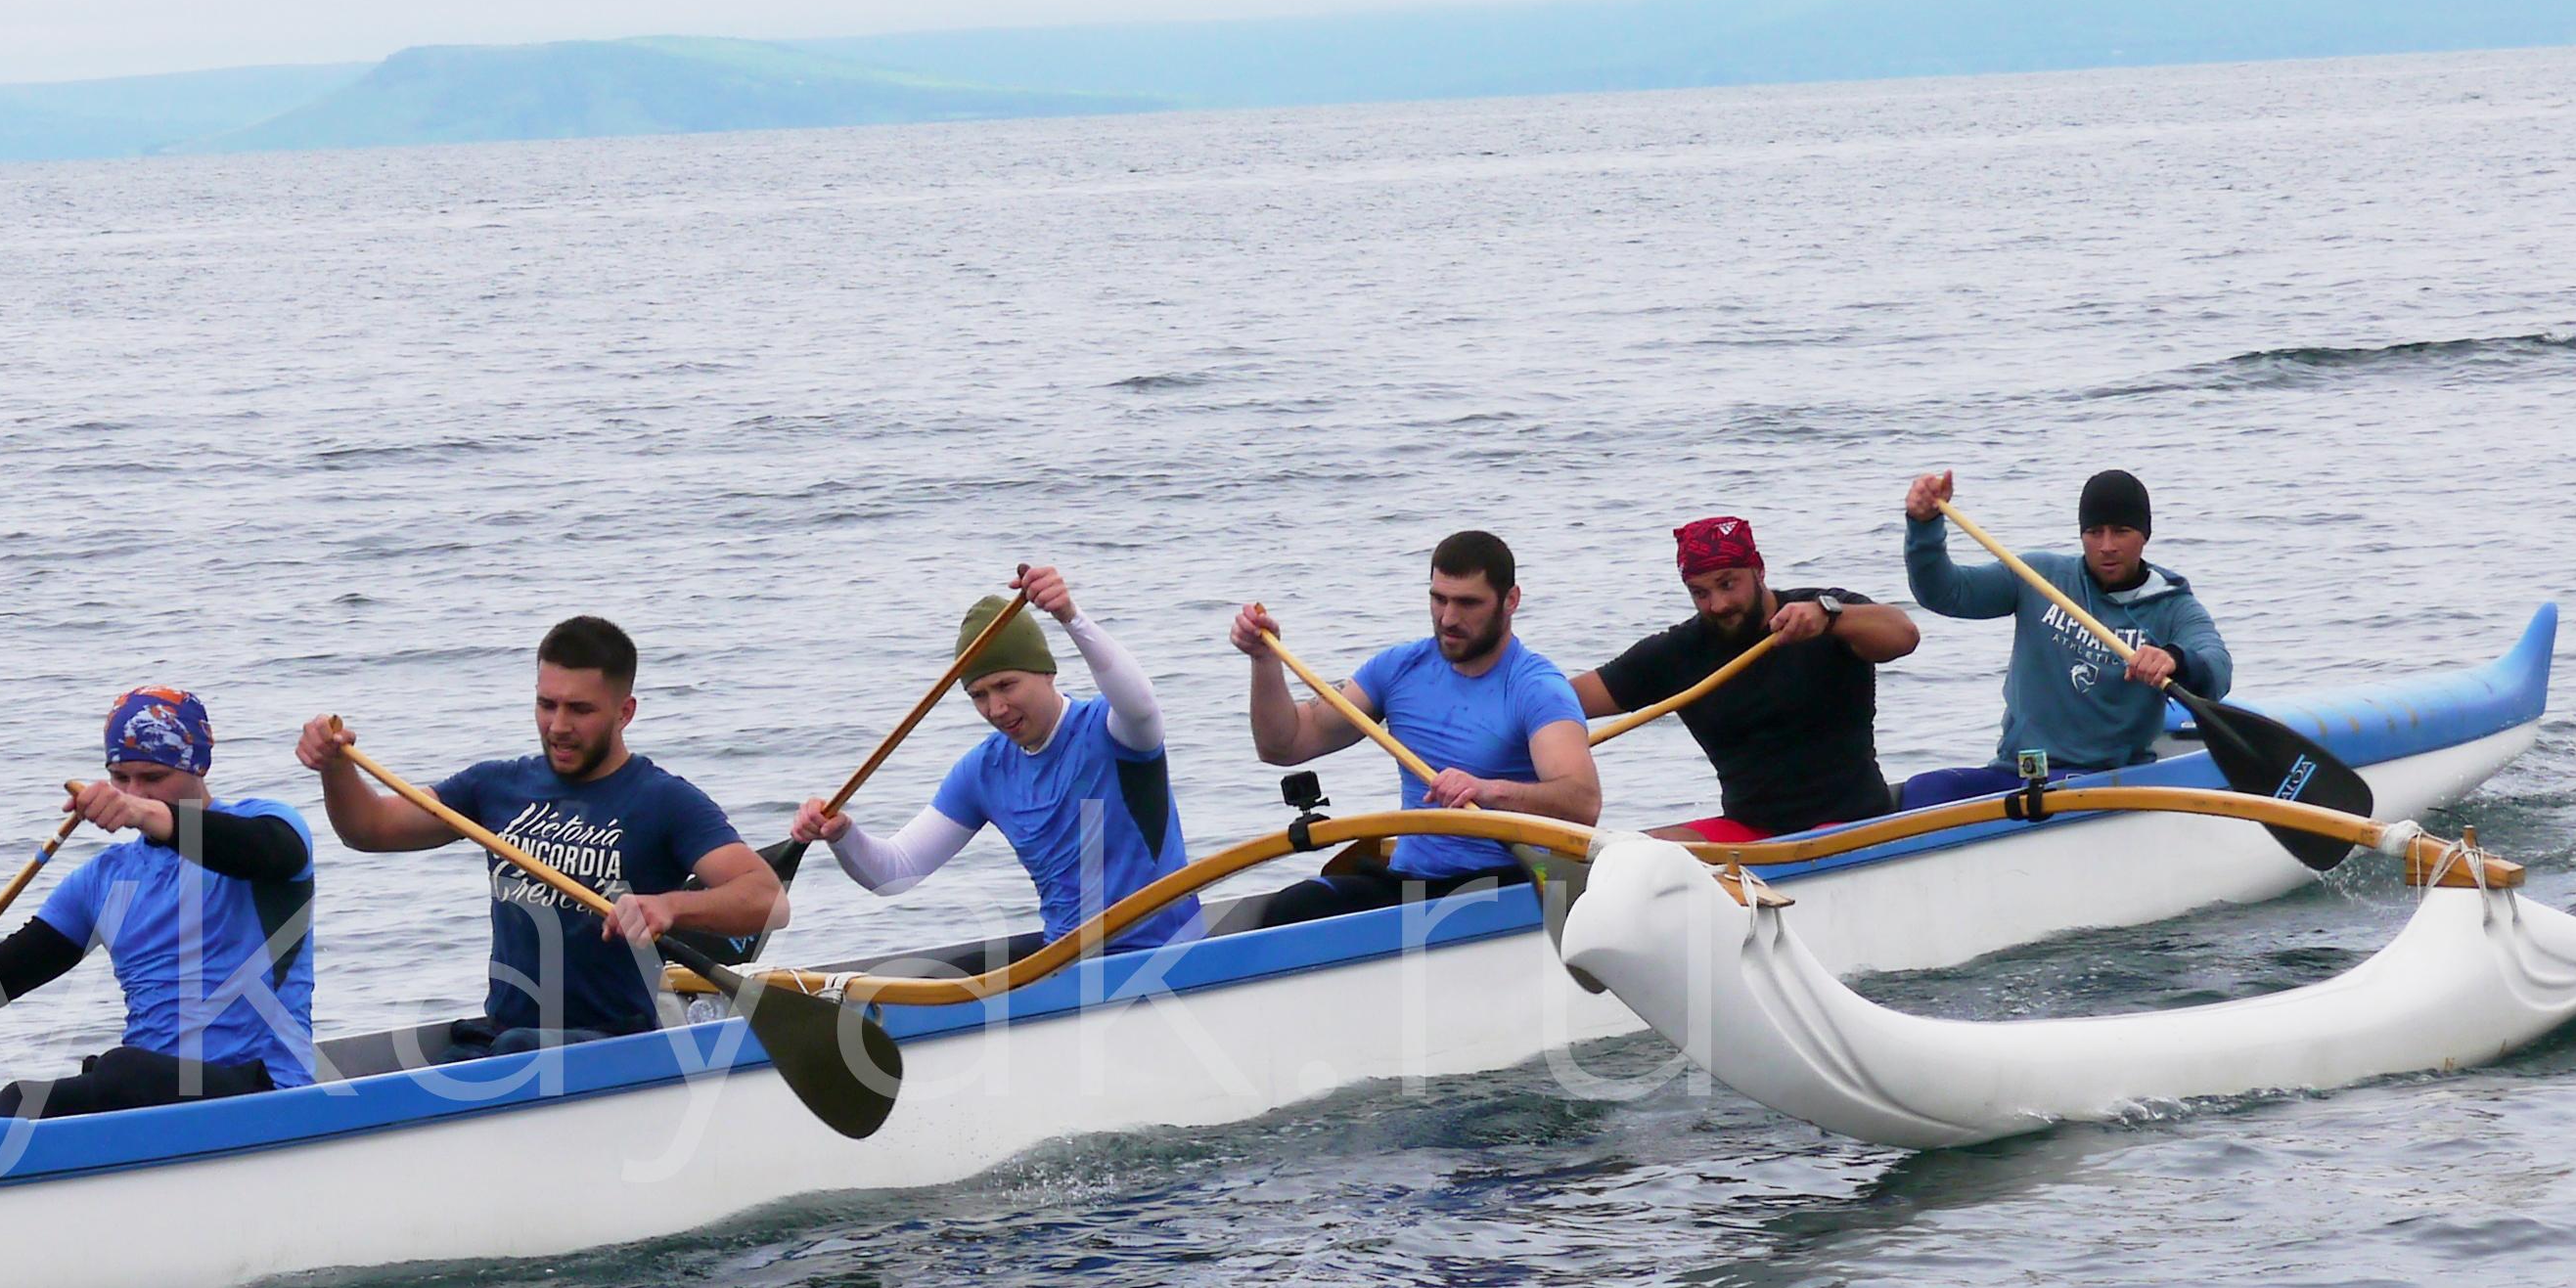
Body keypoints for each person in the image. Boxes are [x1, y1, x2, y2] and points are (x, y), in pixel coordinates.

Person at [297, 613, 787, 1054]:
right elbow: (370, 829)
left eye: (580, 709)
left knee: (513, 1048)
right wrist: (335, 766)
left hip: (613, 1043)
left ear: (625, 712)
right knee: (489, 1046)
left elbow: (767, 900)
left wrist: (667, 906)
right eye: (546, 704)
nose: (558, 726)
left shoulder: (663, 801)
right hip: (509, 1032)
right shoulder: (495, 787)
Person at [0, 685, 315, 1114]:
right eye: (120, 778)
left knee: (120, 1069)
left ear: (200, 767)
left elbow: (272, 852)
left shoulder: (267, 827)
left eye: (152, 777)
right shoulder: (102, 880)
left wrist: (149, 815)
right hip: (153, 1092)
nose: (134, 794)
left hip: (261, 1090)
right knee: (20, 1102)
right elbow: (3, 974)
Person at [786, 560, 1189, 955]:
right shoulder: (983, 773)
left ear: (1046, 672)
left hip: (1168, 956)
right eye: (979, 695)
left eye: (1006, 685)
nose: (996, 709)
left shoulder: (1115, 732)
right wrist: (841, 835)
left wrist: (1070, 617)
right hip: (1069, 967)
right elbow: (893, 874)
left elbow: (1142, 704)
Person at [1226, 530, 1600, 923]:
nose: (1448, 618)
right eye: (1438, 599)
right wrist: (1264, 662)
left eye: (1468, 603)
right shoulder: (1398, 669)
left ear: (1511, 601)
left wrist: (1486, 791)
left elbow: (1582, 803)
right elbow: (1284, 745)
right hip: (1412, 883)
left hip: (1505, 884)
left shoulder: (1537, 688)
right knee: (1293, 908)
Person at [1896, 466, 2235, 806]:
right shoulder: (2039, 577)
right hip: (2019, 773)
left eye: (2121, 532)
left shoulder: (2172, 605)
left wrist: (2174, 659)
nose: (2106, 546)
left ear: (2144, 535)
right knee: (1924, 790)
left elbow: (2217, 668)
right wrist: (1924, 526)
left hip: (2107, 781)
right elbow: (1944, 592)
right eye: (2094, 532)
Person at [1569, 514, 1919, 841]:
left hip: (1854, 823)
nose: (1717, 605)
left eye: (1727, 584)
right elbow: (1563, 702)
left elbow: (1904, 635)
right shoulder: (1677, 653)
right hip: (1750, 833)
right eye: (1700, 593)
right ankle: (1554, 903)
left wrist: (1830, 618)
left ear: (1759, 570)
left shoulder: (1823, 610)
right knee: (1613, 859)